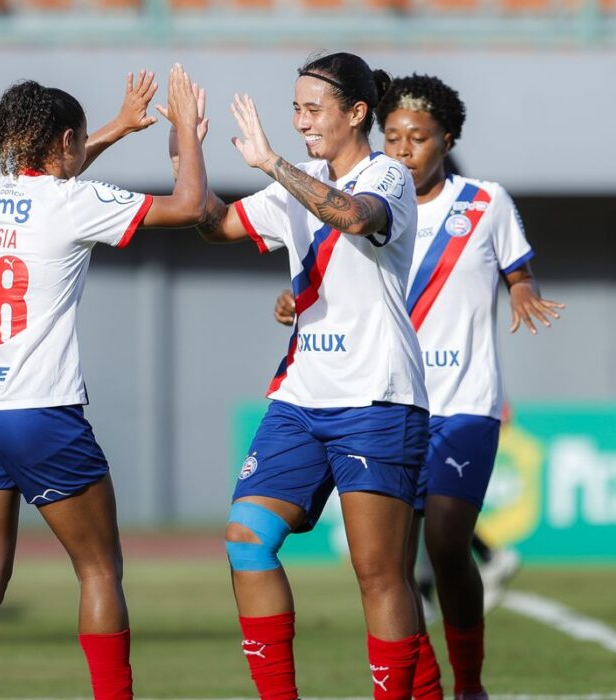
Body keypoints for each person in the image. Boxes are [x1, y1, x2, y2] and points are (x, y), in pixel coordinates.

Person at [272, 73, 563, 700]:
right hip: (390, 399)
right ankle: (423, 689)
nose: (404, 149)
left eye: (419, 138)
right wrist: (294, 299)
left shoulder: (485, 203)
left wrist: (525, 292)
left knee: (447, 540)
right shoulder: (366, 200)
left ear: (446, 139)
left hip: (462, 403)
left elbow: (519, 270)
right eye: (395, 136)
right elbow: (329, 279)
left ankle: (470, 684)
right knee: (391, 568)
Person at [0, 65, 207, 700]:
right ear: (64, 142)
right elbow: (191, 205)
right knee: (98, 570)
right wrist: (188, 134)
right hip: (38, 414)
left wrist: (114, 125)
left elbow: (54, 175)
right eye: (80, 141)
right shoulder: (71, 203)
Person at [179, 51, 427, 700]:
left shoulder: (389, 175)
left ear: (357, 112)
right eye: (294, 108)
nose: (300, 120)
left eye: (313, 109)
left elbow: (354, 217)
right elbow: (217, 225)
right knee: (246, 540)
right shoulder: (294, 178)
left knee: (378, 573)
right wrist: (188, 147)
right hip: (299, 398)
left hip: (377, 396)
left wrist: (273, 165)